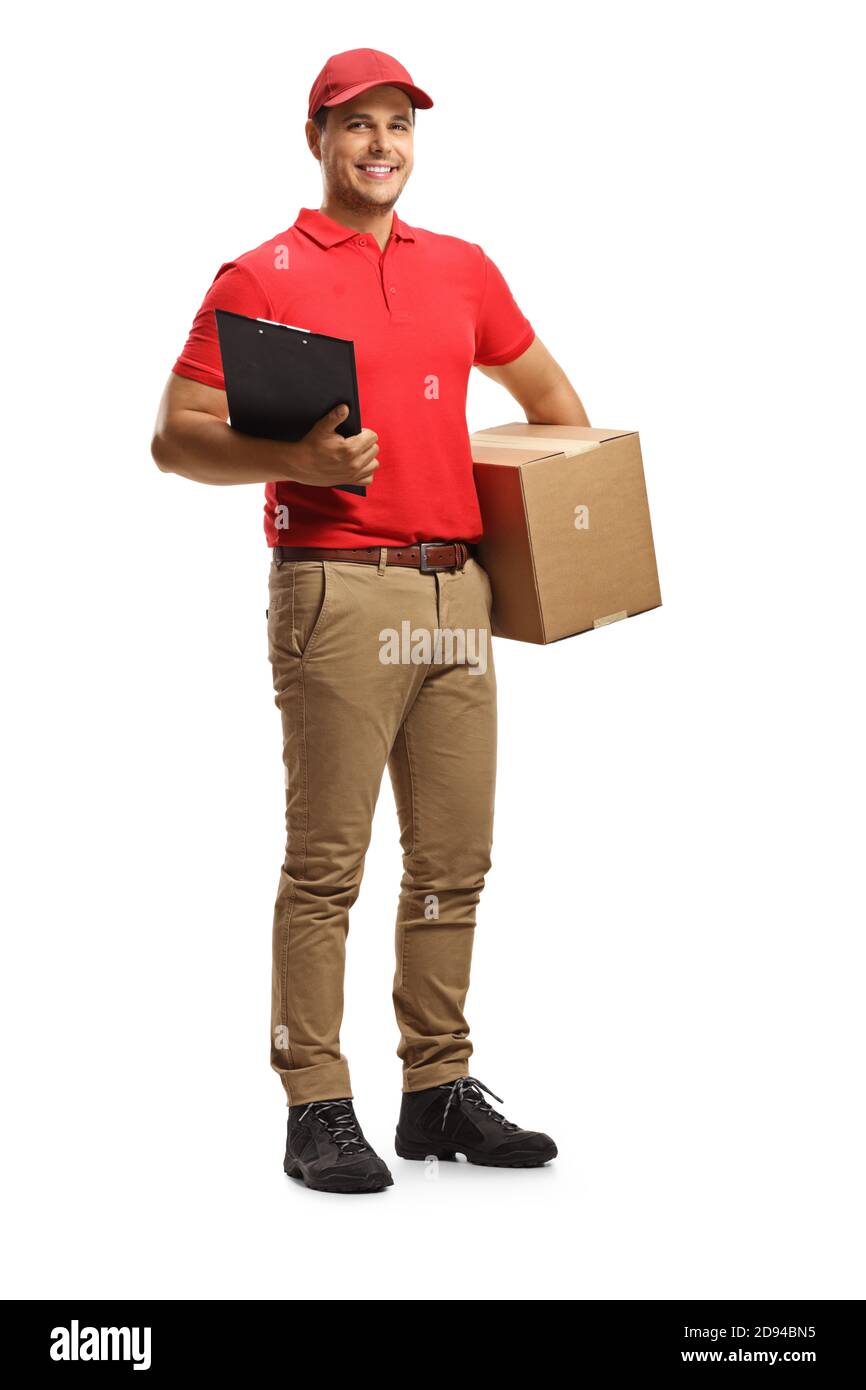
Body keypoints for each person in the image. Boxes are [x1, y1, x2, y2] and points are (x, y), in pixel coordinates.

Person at [151, 47, 590, 1194]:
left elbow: (553, 407)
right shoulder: (263, 274)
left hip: (457, 592)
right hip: (337, 588)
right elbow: (174, 432)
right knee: (327, 863)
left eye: (397, 125)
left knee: (452, 858)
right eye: (357, 126)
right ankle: (314, 1102)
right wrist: (290, 458)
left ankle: (437, 1090)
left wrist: (528, 540)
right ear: (316, 139)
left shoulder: (462, 269)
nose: (380, 145)